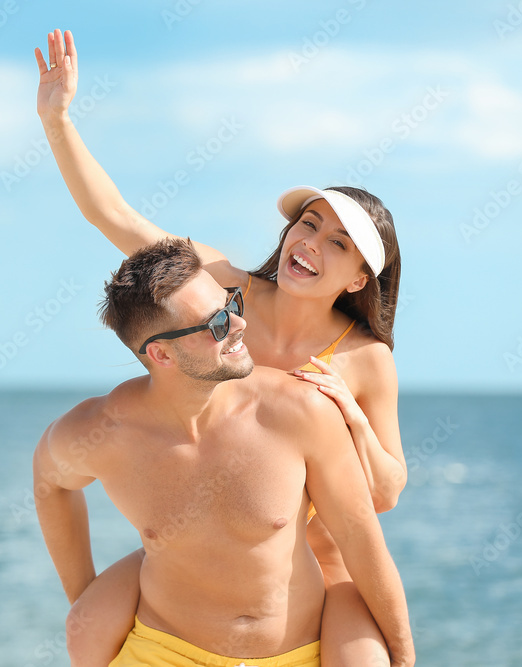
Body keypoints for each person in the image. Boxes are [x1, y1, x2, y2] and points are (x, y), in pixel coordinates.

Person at [34, 29, 408, 666]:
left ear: (357, 280)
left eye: (338, 243)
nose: (311, 242)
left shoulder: (365, 357)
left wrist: (350, 415)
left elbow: (388, 489)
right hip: (198, 551)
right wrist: (58, 120)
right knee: (86, 624)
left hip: (315, 566)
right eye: (308, 223)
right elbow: (116, 219)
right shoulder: (225, 289)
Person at [33, 238, 414, 667]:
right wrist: (83, 593)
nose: (238, 324)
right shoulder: (103, 431)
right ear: (161, 354)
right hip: (161, 650)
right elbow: (50, 481)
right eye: (215, 324)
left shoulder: (300, 411)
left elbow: (360, 539)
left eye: (232, 303)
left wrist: (403, 654)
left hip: (295, 653)